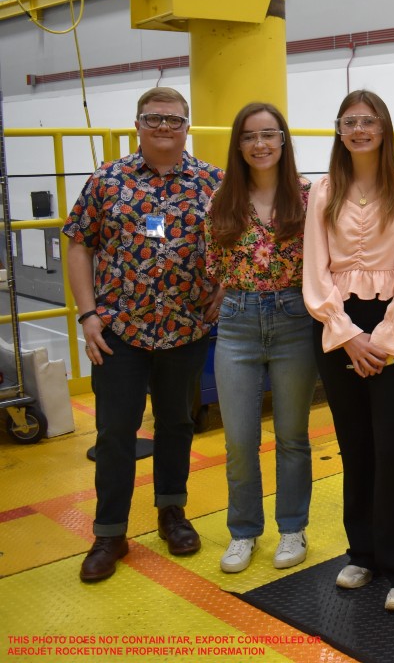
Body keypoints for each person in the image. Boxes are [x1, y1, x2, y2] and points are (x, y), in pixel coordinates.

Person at [65, 86, 223, 582]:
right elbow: (78, 245)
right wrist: (88, 315)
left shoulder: (211, 183)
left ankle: (172, 514)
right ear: (137, 124)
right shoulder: (107, 181)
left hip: (186, 327)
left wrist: (223, 287)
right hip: (119, 332)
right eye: (153, 119)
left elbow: (237, 241)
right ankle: (109, 532)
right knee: (115, 432)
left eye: (173, 120)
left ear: (187, 126)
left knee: (176, 424)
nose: (163, 127)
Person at [303, 89, 394, 611]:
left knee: (389, 448)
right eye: (349, 121)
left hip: (391, 325)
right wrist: (346, 332)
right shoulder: (322, 192)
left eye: (369, 120)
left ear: (384, 128)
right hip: (338, 325)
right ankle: (362, 552)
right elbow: (314, 268)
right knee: (353, 446)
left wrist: (384, 334)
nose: (359, 129)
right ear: (339, 130)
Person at [206, 102, 317, 574]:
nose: (260, 144)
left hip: (295, 318)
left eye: (269, 134)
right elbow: (213, 262)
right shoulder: (221, 198)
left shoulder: (310, 196)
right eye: (249, 136)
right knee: (239, 440)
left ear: (283, 140)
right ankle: (244, 532)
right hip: (237, 322)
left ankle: (292, 528)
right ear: (238, 145)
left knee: (293, 435)